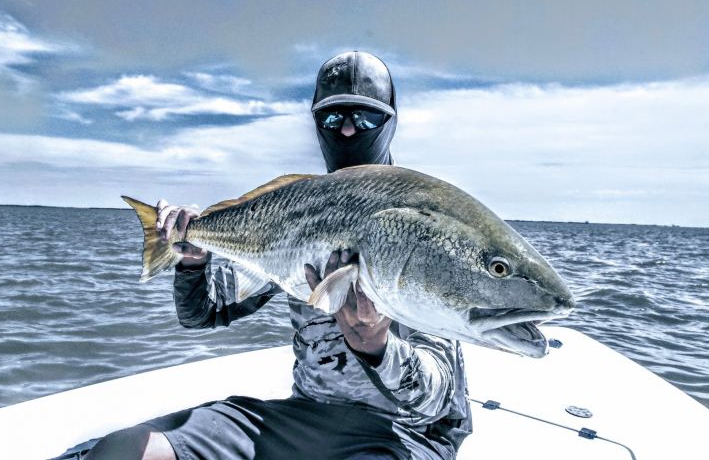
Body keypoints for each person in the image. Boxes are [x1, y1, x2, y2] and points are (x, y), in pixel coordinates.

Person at [86, 51, 472, 460]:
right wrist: (194, 259)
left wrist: (377, 343)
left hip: (406, 433)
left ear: (390, 121)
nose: (345, 131)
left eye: (363, 118)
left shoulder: (424, 221)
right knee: (124, 452)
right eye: (331, 118)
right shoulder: (298, 212)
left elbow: (435, 400)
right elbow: (200, 313)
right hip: (307, 418)